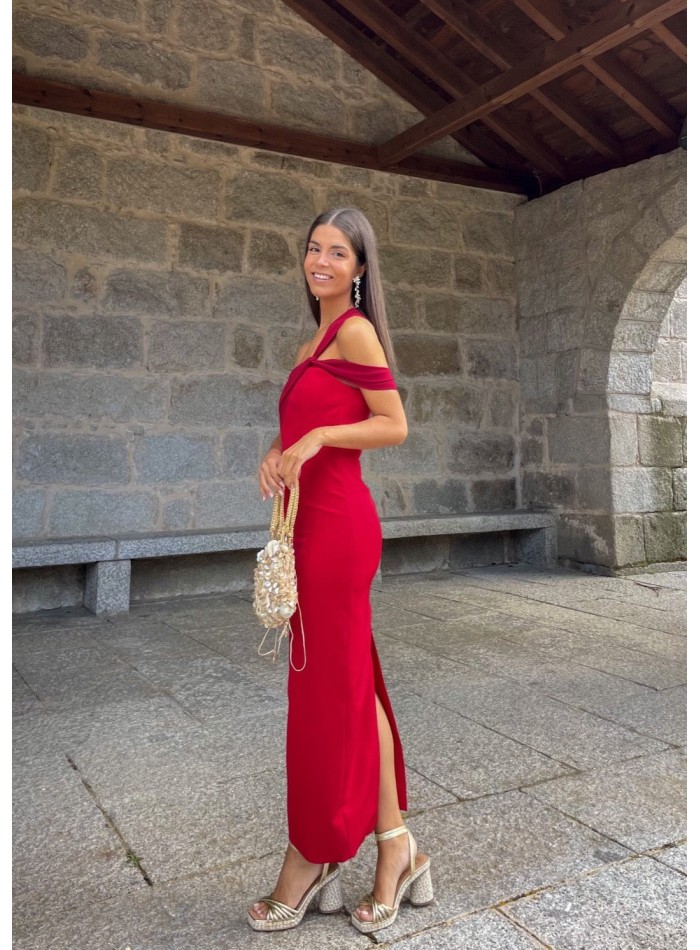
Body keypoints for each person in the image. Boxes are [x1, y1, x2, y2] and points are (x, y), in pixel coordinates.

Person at [247, 208, 433, 934]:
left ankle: (312, 855)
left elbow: (393, 423)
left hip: (339, 532)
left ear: (358, 269)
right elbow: (302, 430)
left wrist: (322, 435)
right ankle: (396, 848)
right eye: (312, 248)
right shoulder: (311, 343)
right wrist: (277, 451)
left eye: (337, 252)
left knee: (330, 693)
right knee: (348, 686)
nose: (320, 260)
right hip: (306, 530)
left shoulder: (354, 331)